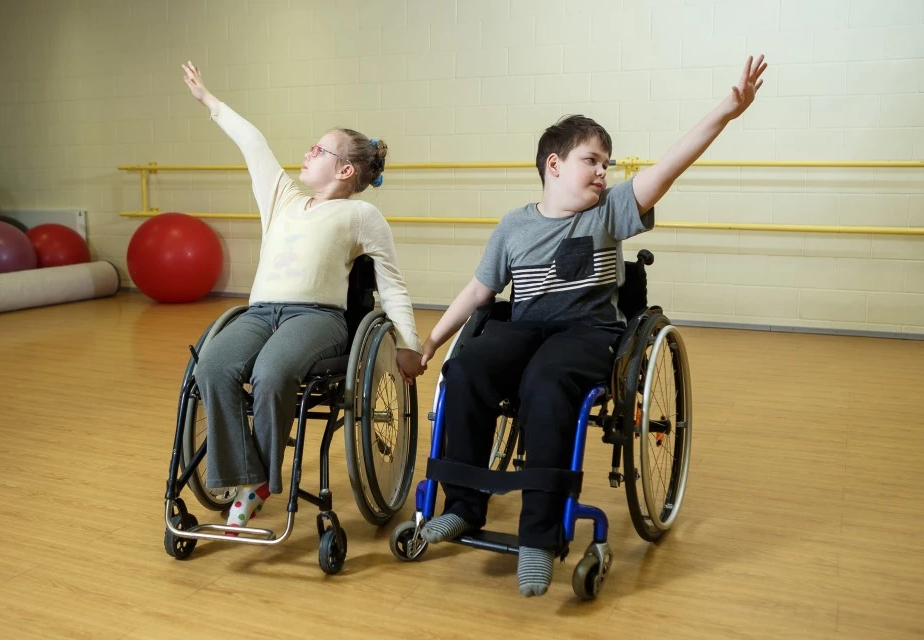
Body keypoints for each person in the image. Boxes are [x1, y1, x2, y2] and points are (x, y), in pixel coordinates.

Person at [417, 55, 768, 596]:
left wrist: (726, 110)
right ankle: (463, 507)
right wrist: (431, 344)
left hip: (588, 333)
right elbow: (479, 292)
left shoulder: (609, 212)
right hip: (525, 329)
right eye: (593, 161)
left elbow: (670, 165)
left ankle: (537, 536)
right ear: (554, 165)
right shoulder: (513, 226)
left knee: (547, 381)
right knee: (465, 369)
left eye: (606, 162)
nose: (604, 171)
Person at [180, 61, 425, 532]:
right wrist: (210, 101)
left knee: (273, 372)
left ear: (345, 168)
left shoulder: (360, 215)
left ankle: (258, 485)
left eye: (321, 148)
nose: (308, 151)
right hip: (257, 313)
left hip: (317, 318)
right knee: (210, 366)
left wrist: (409, 344)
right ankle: (244, 476)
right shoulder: (282, 198)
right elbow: (253, 142)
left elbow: (391, 282)